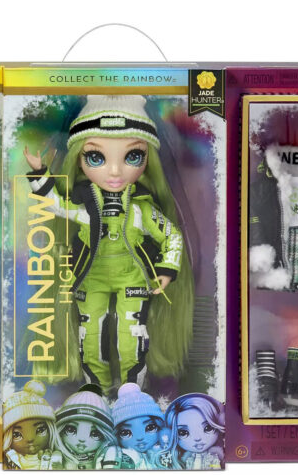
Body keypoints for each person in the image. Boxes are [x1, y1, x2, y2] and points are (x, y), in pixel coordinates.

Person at [25, 95, 193, 393]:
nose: (115, 171)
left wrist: (166, 269)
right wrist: (40, 174)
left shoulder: (142, 209)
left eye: (133, 156)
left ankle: (132, 392)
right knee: (89, 335)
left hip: (133, 278)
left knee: (132, 335)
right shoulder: (85, 207)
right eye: (96, 158)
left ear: (148, 160)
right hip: (91, 278)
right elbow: (55, 205)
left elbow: (172, 236)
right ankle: (96, 391)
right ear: (79, 159)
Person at [2, 380, 62, 470]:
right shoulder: (10, 459)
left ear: (51, 429)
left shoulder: (54, 457)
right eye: (16, 435)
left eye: (40, 430)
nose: (30, 439)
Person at [165, 393, 224, 470]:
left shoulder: (214, 458)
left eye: (208, 428)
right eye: (183, 433)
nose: (197, 438)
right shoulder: (187, 460)